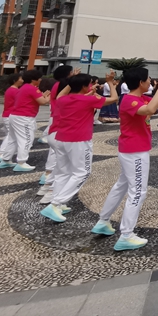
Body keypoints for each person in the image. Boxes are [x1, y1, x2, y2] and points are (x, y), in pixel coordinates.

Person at [91, 70, 158, 250]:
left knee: (121, 186)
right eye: (147, 80)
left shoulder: (141, 98)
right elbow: (150, 110)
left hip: (133, 150)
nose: (150, 82)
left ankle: (103, 221)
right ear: (140, 82)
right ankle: (126, 235)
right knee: (138, 192)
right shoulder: (130, 100)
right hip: (134, 151)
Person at [40, 72, 119, 223]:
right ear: (84, 86)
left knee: (63, 172)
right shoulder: (89, 100)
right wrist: (110, 83)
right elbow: (114, 99)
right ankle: (55, 204)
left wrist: (72, 82)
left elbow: (62, 95)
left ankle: (59, 203)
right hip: (79, 140)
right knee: (82, 172)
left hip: (61, 138)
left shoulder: (63, 99)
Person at [0, 69, 51, 172]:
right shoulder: (32, 88)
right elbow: (42, 101)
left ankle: (6, 159)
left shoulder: (23, 88)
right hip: (24, 118)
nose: (40, 80)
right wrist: (49, 96)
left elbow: (33, 100)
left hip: (14, 116)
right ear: (34, 79)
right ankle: (21, 162)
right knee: (26, 139)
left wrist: (43, 96)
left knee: (13, 139)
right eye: (39, 78)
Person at [0, 74, 23, 165]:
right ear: (15, 80)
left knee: (10, 135)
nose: (22, 80)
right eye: (20, 78)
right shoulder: (15, 91)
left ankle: (2, 154)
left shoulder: (10, 89)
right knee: (11, 136)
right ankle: (2, 153)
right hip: (10, 114)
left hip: (7, 114)